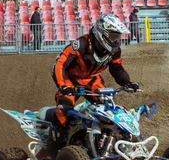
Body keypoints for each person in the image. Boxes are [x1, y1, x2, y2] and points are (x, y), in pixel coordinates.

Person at [49, 14, 140, 151]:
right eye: (113, 36)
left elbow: (117, 69)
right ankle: (56, 151)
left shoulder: (114, 51)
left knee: (108, 108)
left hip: (92, 80)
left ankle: (108, 144)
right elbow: (59, 64)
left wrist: (128, 82)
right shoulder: (80, 45)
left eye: (117, 36)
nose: (116, 40)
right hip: (71, 80)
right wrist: (63, 85)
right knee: (64, 107)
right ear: (101, 34)